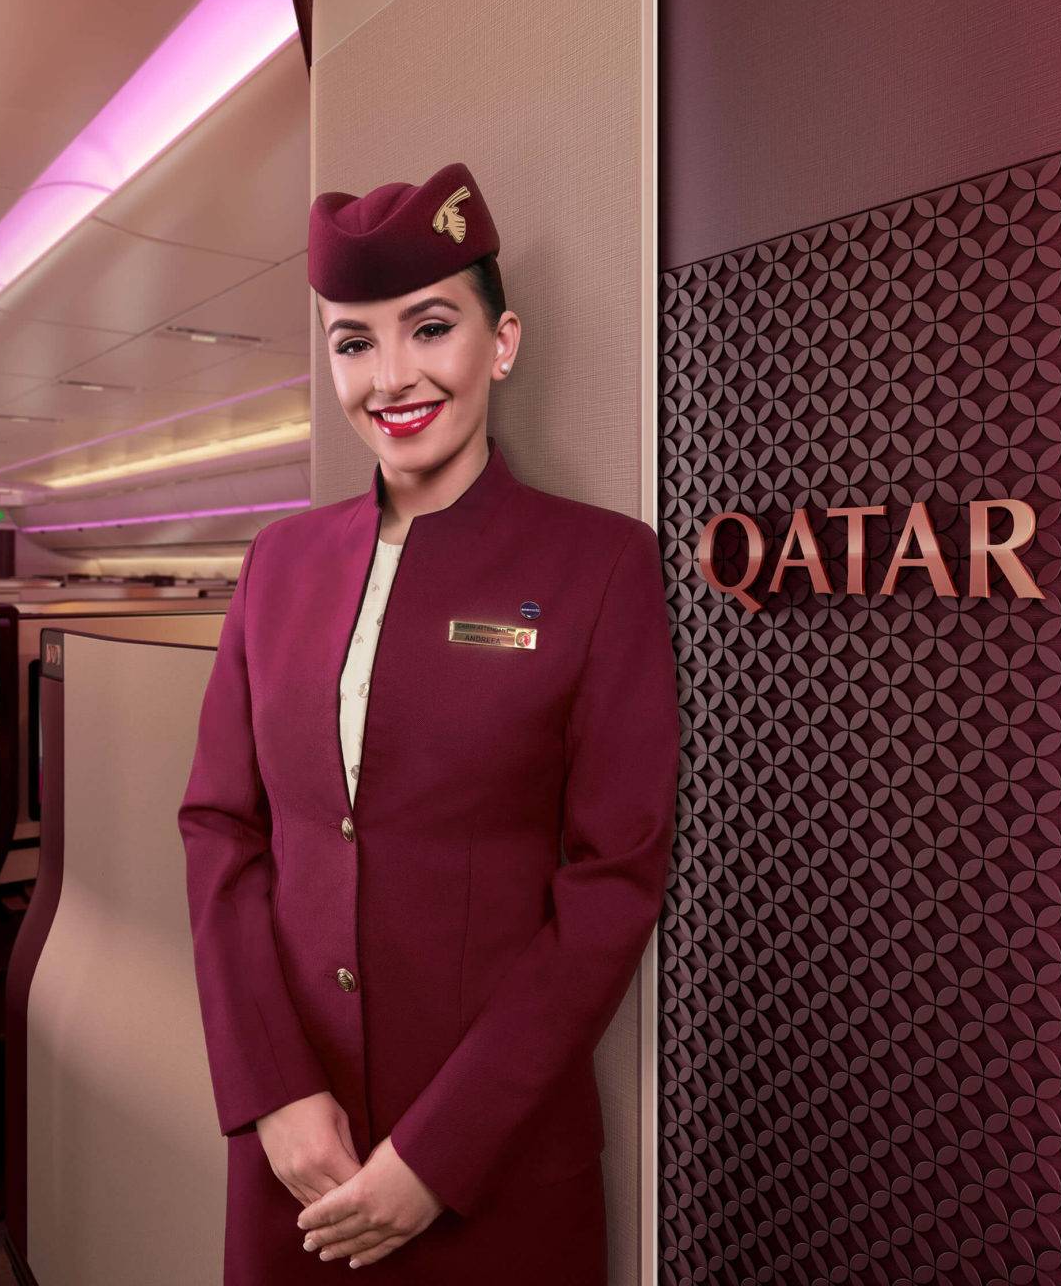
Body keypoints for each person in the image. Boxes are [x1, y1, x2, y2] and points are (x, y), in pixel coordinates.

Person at [177, 161, 680, 1283]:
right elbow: (221, 829)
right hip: (300, 1163)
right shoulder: (277, 564)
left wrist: (439, 1154)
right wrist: (271, 1091)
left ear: (502, 342)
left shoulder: (599, 566)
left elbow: (614, 879)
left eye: (432, 328)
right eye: (354, 342)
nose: (391, 377)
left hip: (495, 1165)